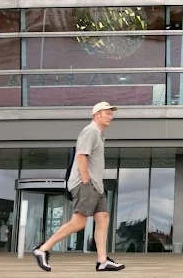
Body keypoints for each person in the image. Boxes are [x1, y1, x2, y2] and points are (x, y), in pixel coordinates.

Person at [33, 102, 125, 272]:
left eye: (111, 113)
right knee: (78, 223)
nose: (111, 116)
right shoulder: (89, 131)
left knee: (103, 218)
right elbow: (81, 156)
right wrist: (85, 181)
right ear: (97, 115)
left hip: (96, 185)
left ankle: (102, 261)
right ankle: (43, 249)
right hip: (86, 184)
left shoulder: (99, 134)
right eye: (107, 113)